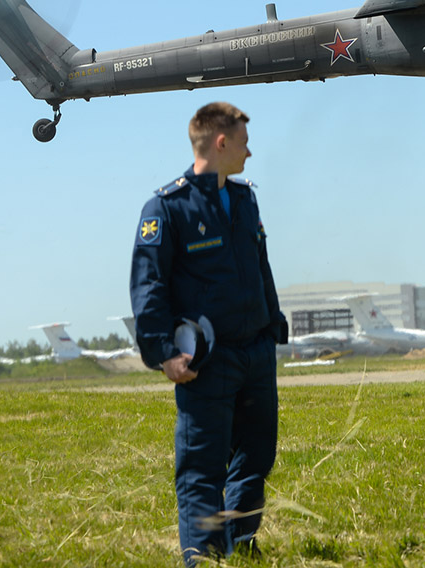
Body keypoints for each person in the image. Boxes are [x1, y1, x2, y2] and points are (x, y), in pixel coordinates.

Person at [130, 101, 288, 564]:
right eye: (243, 142)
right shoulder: (167, 206)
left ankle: (240, 543)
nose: (249, 153)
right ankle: (203, 556)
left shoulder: (244, 198)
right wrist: (163, 353)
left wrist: (272, 325)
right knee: (202, 464)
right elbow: (148, 285)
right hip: (207, 361)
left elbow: (261, 267)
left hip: (255, 352)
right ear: (221, 143)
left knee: (255, 456)